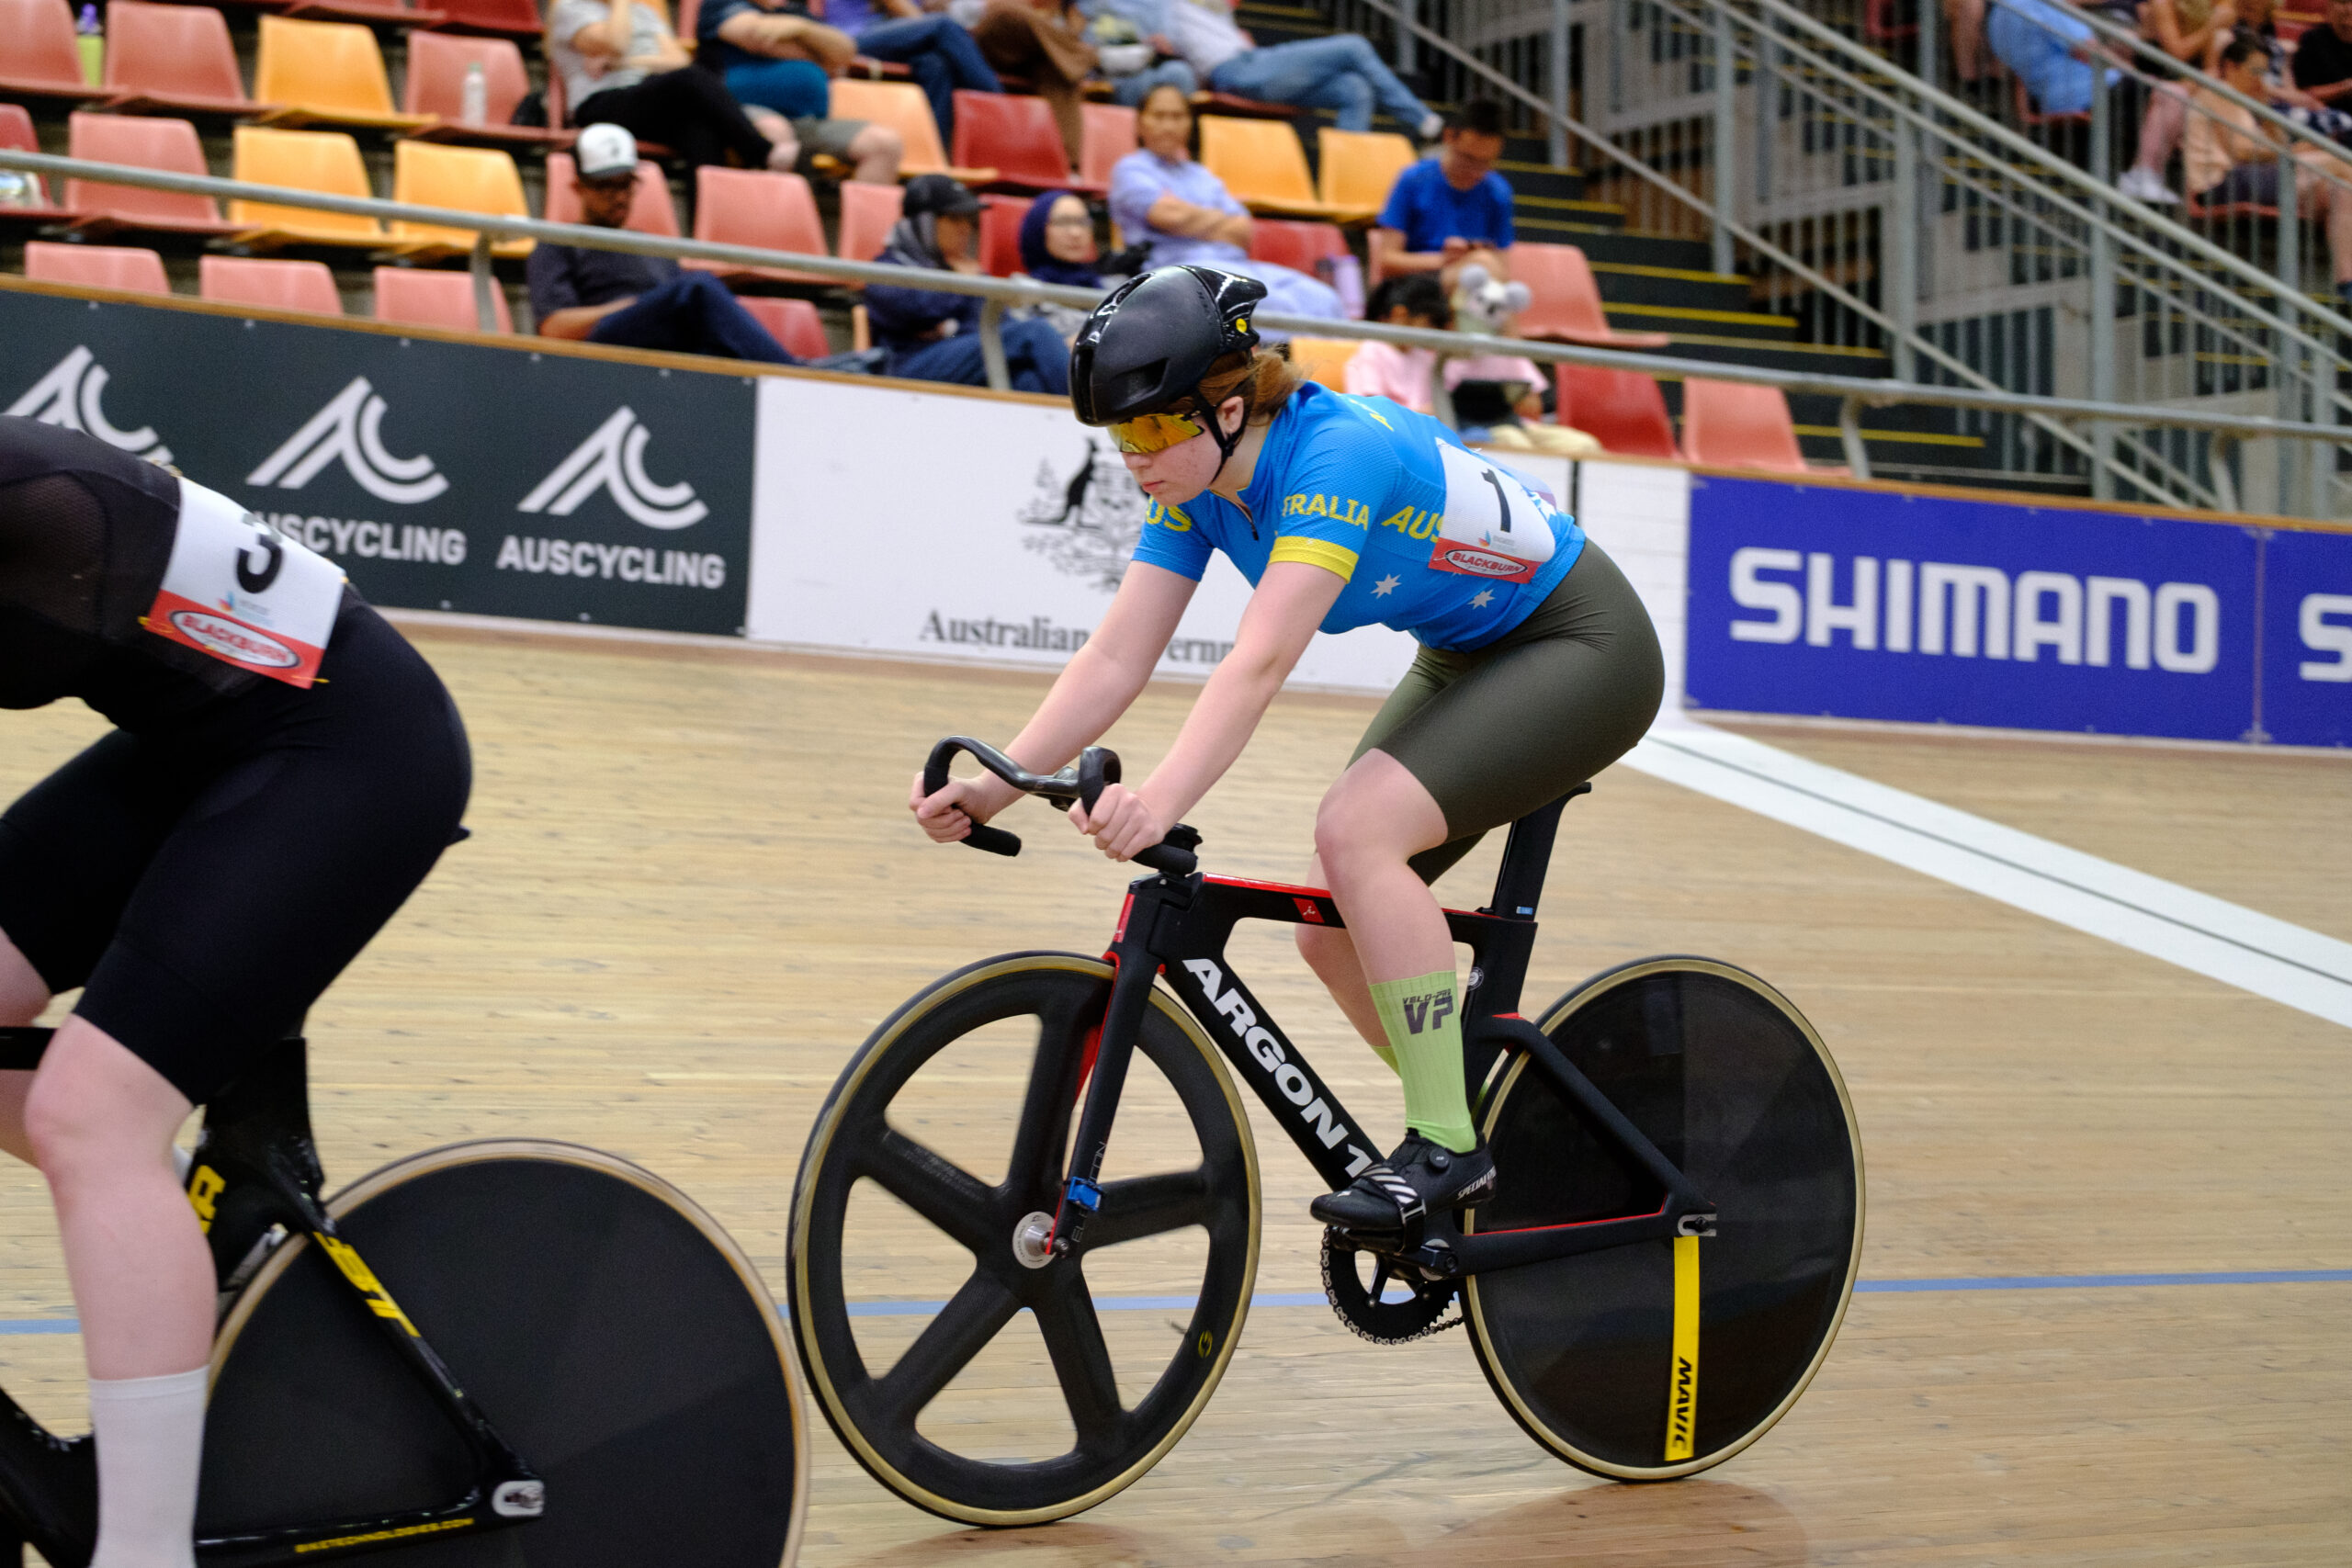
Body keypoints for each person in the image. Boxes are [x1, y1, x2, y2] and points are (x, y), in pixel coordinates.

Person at [910, 265, 1663, 1233]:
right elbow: (1115, 658)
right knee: (1326, 926)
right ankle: (1505, 1125)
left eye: (1151, 430)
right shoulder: (1194, 480)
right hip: (1467, 650)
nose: (1135, 459)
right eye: (1120, 437)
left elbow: (1259, 661)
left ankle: (1448, 1146)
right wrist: (993, 788)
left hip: (1584, 646)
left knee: (1356, 832)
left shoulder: (1335, 455)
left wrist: (1161, 800)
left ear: (1227, 408)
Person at [0, 415, 470, 1568]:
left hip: (352, 748)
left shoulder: (31, 500)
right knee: (90, 1127)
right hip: (201, 739)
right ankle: (199, 1226)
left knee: (89, 1115)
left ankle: (143, 1553)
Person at [528, 124, 806, 360]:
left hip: (664, 346)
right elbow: (555, 328)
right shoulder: (558, 242)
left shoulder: (654, 247)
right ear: (578, 187)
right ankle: (790, 374)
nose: (620, 197)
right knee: (698, 287)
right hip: (604, 349)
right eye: (606, 186)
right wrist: (638, 304)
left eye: (626, 184)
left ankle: (802, 371)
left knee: (716, 340)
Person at [1107, 82, 1345, 330]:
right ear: (1140, 123)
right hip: (1177, 274)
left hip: (1235, 265)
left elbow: (1243, 230)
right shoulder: (1130, 169)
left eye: (1177, 117)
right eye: (1159, 116)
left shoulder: (1201, 175)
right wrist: (1218, 220)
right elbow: (1169, 216)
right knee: (1274, 304)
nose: (1168, 126)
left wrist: (1188, 217)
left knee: (1325, 299)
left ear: (1190, 123)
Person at [2187, 36, 2352, 309]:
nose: (2260, 80)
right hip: (2222, 182)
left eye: (2264, 72)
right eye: (2254, 71)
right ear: (2230, 67)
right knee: (2333, 161)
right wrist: (2294, 151)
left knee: (2341, 191)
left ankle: (2347, 284)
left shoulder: (2246, 102)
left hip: (2256, 176)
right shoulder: (2219, 92)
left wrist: (2266, 113)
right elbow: (2242, 150)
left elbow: (2276, 147)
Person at [867, 174, 1075, 389]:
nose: (965, 228)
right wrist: (962, 285)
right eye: (954, 218)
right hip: (906, 365)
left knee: (1028, 380)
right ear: (925, 221)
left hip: (966, 363)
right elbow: (919, 312)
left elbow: (998, 323)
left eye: (968, 219)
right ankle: (1084, 407)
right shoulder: (888, 267)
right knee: (1035, 332)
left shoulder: (966, 269)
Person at [552, 0, 797, 172]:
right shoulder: (572, 7)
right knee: (689, 80)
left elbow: (678, 61)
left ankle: (705, 222)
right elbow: (616, 43)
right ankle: (761, 152)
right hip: (599, 104)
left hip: (648, 97)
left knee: (699, 129)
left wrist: (625, 63)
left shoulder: (644, 13)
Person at [697, 0, 905, 181]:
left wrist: (800, 27)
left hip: (808, 121)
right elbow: (757, 36)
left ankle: (863, 217)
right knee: (777, 134)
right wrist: (818, 51)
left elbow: (845, 51)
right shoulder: (721, 4)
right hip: (741, 111)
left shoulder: (796, 12)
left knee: (884, 144)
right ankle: (774, 214)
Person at [1168, 0, 1440, 137]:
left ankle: (1346, 177)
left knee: (1354, 89)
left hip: (1253, 60)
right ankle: (1423, 121)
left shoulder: (1215, 11)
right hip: (1233, 71)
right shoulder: (1167, 7)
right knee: (1354, 46)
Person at [801, 0, 1002, 144]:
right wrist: (925, 20)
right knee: (943, 26)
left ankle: (931, 155)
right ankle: (998, 104)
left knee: (936, 64)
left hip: (890, 37)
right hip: (847, 38)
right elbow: (910, 14)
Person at [1370, 98, 1515, 288]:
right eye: (1468, 159)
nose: (1475, 172)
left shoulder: (1499, 191)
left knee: (1486, 270)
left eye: (1486, 163)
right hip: (1414, 286)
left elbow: (1502, 267)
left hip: (1472, 286)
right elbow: (1387, 261)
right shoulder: (1413, 179)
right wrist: (1447, 260)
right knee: (1483, 265)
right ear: (1449, 136)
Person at [968, 0, 1097, 167]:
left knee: (1054, 69)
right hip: (978, 41)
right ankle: (1085, 55)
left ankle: (1065, 163)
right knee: (1009, 11)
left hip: (1026, 52)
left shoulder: (1065, 12)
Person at [1014, 188, 1126, 339]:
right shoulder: (1019, 294)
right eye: (1063, 222)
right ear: (1037, 229)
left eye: (1082, 222)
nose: (1076, 233)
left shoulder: (1116, 288)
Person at [1075, 0, 1200, 107]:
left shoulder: (1159, 3)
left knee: (1181, 73)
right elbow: (1079, 33)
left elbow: (1167, 39)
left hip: (1148, 59)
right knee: (1137, 82)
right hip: (1103, 65)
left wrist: (1161, 42)